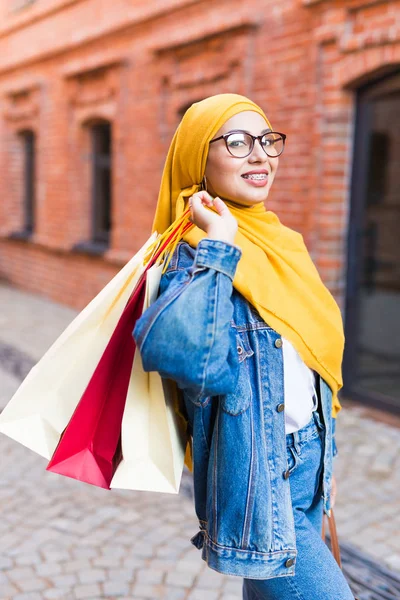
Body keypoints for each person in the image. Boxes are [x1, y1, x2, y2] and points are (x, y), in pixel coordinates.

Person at [133, 94, 354, 599]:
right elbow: (193, 363)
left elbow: (312, 365)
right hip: (259, 478)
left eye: (267, 139)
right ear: (198, 157)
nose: (260, 156)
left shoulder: (282, 243)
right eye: (237, 142)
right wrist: (219, 246)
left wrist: (325, 462)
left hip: (308, 466)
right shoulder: (196, 251)